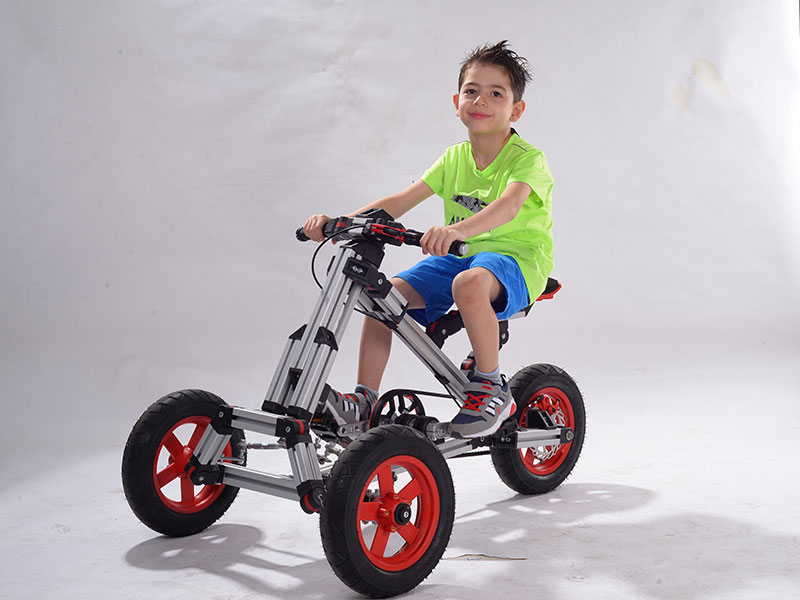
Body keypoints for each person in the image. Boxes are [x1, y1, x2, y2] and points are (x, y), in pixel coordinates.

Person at [302, 41, 554, 438]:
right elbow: (399, 201)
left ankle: (491, 385)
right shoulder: (453, 158)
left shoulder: (527, 159)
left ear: (516, 110)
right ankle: (364, 400)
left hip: (516, 259)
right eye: (471, 91)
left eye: (496, 94)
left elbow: (508, 206)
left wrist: (457, 230)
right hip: (459, 255)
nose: (480, 100)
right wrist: (342, 221)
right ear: (456, 102)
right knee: (381, 298)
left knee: (469, 283)